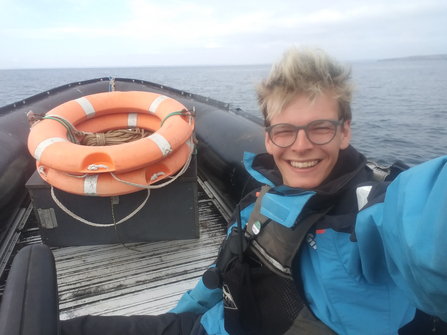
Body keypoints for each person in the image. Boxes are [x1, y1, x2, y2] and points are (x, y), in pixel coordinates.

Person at [62, 46, 447, 334]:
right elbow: (219, 273)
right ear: (268, 136)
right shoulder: (256, 204)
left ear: (345, 130)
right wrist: (176, 318)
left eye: (320, 128)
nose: (300, 146)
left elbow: (427, 225)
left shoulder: (374, 213)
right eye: (285, 131)